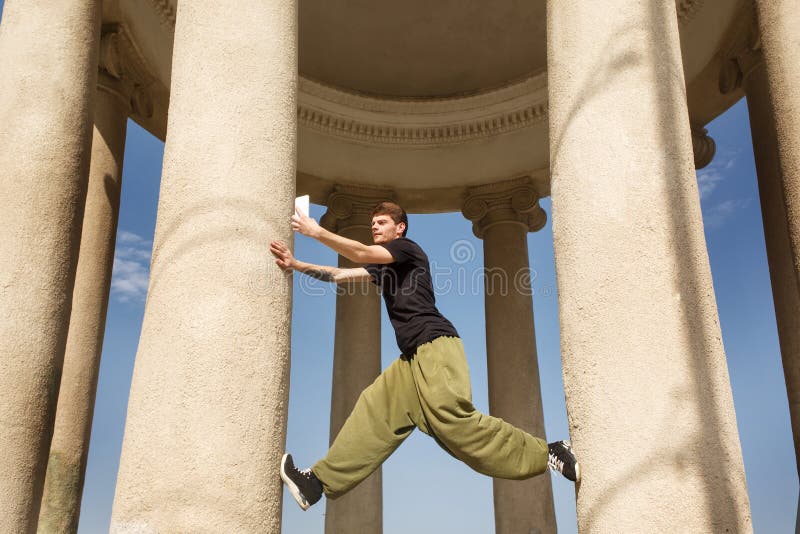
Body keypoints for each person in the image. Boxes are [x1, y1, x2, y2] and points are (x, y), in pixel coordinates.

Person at [270, 201, 579, 511]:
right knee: (374, 410)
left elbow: (360, 253)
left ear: (399, 227)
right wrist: (296, 265)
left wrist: (316, 231)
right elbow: (338, 274)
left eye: (381, 222)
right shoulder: (383, 267)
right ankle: (316, 483)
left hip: (436, 346)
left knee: (456, 424)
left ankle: (549, 451)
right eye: (372, 223)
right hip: (411, 360)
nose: (374, 226)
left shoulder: (406, 248)